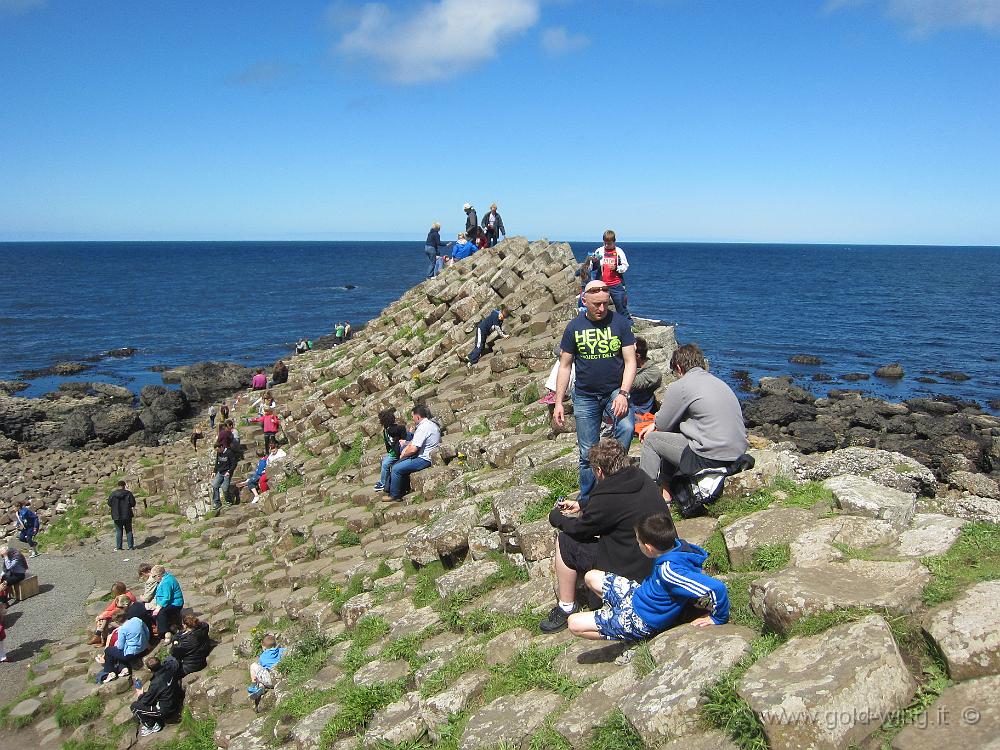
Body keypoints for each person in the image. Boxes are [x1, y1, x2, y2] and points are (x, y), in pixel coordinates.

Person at [539, 438, 668, 633]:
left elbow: (581, 529)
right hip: (654, 560)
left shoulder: (607, 497)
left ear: (599, 471)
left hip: (628, 569)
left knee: (565, 541)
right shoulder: (641, 477)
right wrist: (582, 505)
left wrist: (557, 517)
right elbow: (617, 506)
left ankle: (566, 607)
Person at [567, 512, 729, 641]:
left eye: (638, 541)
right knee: (591, 576)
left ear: (649, 548)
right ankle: (615, 617)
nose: (637, 544)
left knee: (573, 624)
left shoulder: (670, 571)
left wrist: (718, 618)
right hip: (639, 595)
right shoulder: (677, 547)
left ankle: (628, 635)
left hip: (642, 619)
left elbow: (716, 588)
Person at [553, 280, 637, 505]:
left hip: (614, 392)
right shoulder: (574, 327)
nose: (601, 309)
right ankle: (588, 501)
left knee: (627, 427)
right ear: (584, 301)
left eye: (605, 304)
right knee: (586, 453)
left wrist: (623, 393)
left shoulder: (620, 324)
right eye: (596, 304)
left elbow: (630, 362)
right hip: (585, 395)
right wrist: (559, 401)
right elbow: (565, 366)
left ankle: (615, 482)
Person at [638, 343, 748, 501]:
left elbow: (663, 424)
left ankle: (644, 497)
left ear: (679, 367)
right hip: (737, 453)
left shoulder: (681, 385)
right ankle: (667, 494)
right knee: (673, 433)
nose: (675, 375)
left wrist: (654, 423)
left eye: (674, 372)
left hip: (710, 455)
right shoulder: (719, 383)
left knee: (652, 440)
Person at [387, 404, 441, 501]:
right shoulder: (430, 424)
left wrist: (403, 454)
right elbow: (414, 442)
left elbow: (413, 449)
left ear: (418, 416)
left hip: (424, 459)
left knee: (396, 468)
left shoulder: (423, 427)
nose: (412, 419)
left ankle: (394, 495)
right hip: (426, 455)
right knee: (400, 462)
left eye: (412, 416)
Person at [131, 656, 184, 736]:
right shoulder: (170, 667)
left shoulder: (156, 683)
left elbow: (145, 701)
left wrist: (140, 694)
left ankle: (152, 726)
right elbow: (173, 659)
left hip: (166, 710)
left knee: (135, 706)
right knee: (151, 695)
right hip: (176, 697)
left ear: (150, 670)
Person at [590, 230, 632, 321]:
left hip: (616, 284)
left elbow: (625, 266)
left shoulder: (619, 252)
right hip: (602, 285)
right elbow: (591, 266)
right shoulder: (599, 251)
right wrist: (594, 261)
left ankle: (629, 325)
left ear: (614, 242)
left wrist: (616, 267)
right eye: (605, 243)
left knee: (621, 306)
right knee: (600, 307)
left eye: (609, 243)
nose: (607, 245)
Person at [97, 610, 149, 679]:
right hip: (144, 649)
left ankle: (108, 672)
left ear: (117, 621)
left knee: (108, 650)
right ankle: (123, 668)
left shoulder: (122, 629)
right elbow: (147, 631)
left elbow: (120, 647)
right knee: (119, 653)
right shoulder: (137, 620)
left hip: (132, 654)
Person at [147, 565, 184, 642]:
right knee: (153, 613)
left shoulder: (166, 582)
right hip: (168, 602)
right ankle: (169, 628)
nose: (153, 578)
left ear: (158, 575)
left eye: (154, 576)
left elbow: (167, 597)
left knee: (161, 613)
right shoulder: (165, 579)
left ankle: (165, 632)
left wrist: (159, 607)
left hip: (175, 603)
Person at [374, 408, 408, 493]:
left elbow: (402, 428)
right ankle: (387, 479)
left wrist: (404, 439)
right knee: (383, 462)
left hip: (396, 453)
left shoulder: (393, 429)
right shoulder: (386, 429)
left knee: (385, 464)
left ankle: (383, 483)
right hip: (392, 452)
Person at [631, 337, 663, 417]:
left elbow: (633, 383)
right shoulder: (629, 365)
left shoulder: (653, 372)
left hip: (640, 410)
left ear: (637, 355)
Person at [107, 480, 137, 551]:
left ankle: (119, 547)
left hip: (116, 515)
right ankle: (130, 547)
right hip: (127, 515)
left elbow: (109, 503)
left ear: (118, 486)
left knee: (119, 531)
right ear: (124, 485)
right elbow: (133, 503)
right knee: (129, 530)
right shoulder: (128, 493)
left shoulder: (113, 494)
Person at [211, 443, 237, 512]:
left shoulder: (229, 452)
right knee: (214, 485)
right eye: (216, 451)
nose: (218, 452)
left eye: (218, 450)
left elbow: (234, 463)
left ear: (222, 447)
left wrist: (229, 471)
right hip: (220, 472)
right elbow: (217, 462)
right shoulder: (219, 453)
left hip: (227, 473)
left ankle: (229, 501)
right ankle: (217, 503)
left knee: (225, 488)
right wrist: (214, 471)